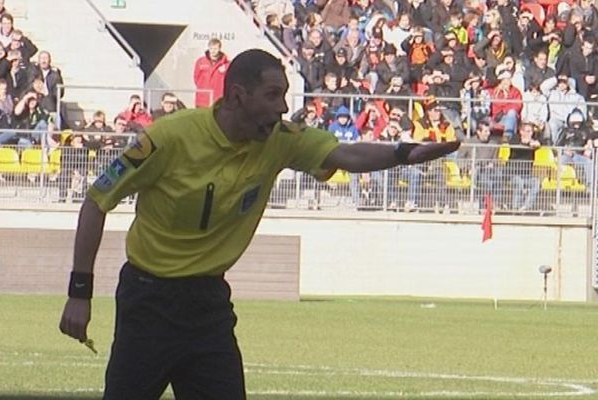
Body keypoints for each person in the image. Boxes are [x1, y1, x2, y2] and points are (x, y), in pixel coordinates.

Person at [58, 48, 459, 400]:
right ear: (238, 95)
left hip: (209, 305)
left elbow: (348, 156)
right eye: (273, 96)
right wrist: (80, 292)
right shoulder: (170, 138)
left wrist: (404, 153)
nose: (283, 107)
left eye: (283, 95)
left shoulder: (280, 139)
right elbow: (96, 201)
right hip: (149, 301)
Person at [193, 38, 230, 108]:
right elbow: (196, 78)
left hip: (218, 99)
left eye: (215, 48)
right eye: (211, 48)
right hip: (202, 99)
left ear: (219, 49)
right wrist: (203, 87)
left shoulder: (226, 64)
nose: (213, 51)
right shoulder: (200, 62)